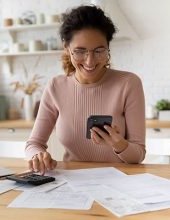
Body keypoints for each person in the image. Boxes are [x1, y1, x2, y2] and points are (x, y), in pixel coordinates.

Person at [25, 5, 146, 174]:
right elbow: (33, 144)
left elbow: (138, 155)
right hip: (73, 182)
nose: (90, 62)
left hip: (120, 182)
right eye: (80, 51)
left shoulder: (128, 83)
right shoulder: (56, 86)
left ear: (108, 47)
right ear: (67, 48)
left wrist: (119, 144)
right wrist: (37, 155)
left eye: (98, 51)